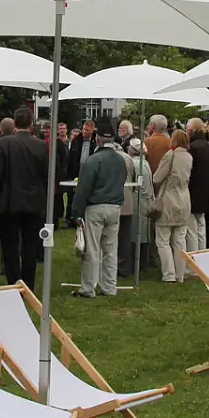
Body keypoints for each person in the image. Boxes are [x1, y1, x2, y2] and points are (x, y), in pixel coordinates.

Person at [0, 106, 48, 290]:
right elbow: (45, 173)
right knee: (30, 247)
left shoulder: (3, 144)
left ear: (14, 123)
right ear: (31, 124)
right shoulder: (40, 145)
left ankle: (14, 283)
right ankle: (28, 284)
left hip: (9, 202)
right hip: (33, 202)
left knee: (10, 246)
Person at [70, 119, 125, 298]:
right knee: (110, 250)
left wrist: (76, 213)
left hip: (96, 207)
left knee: (92, 250)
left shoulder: (93, 160)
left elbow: (83, 189)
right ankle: (109, 287)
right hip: (115, 207)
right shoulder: (121, 160)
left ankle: (88, 288)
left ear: (98, 138)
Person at [152, 130, 193, 283]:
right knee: (180, 239)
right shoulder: (188, 156)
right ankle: (180, 274)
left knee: (162, 240)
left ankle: (169, 274)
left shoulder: (171, 155)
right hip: (184, 198)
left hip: (169, 198)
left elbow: (157, 178)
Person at [185, 118, 209, 255]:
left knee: (191, 229)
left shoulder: (192, 147)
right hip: (204, 190)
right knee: (201, 227)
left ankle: (194, 257)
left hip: (192, 191)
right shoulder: (208, 146)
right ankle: (203, 255)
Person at [127, 138, 154, 270]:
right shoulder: (145, 163)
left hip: (138, 200)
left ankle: (136, 262)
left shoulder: (134, 163)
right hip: (145, 199)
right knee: (143, 232)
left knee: (136, 232)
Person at [113, 140, 138, 278]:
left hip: (113, 199)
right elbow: (134, 179)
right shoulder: (129, 158)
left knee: (112, 235)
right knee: (125, 235)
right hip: (128, 198)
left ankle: (112, 265)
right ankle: (124, 267)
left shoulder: (112, 159)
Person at [66, 118, 96, 224]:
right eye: (83, 129)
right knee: (72, 196)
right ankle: (70, 217)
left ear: (92, 130)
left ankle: (85, 217)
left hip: (90, 173)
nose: (84, 131)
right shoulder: (76, 140)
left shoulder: (95, 142)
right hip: (76, 172)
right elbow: (70, 157)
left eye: (87, 130)